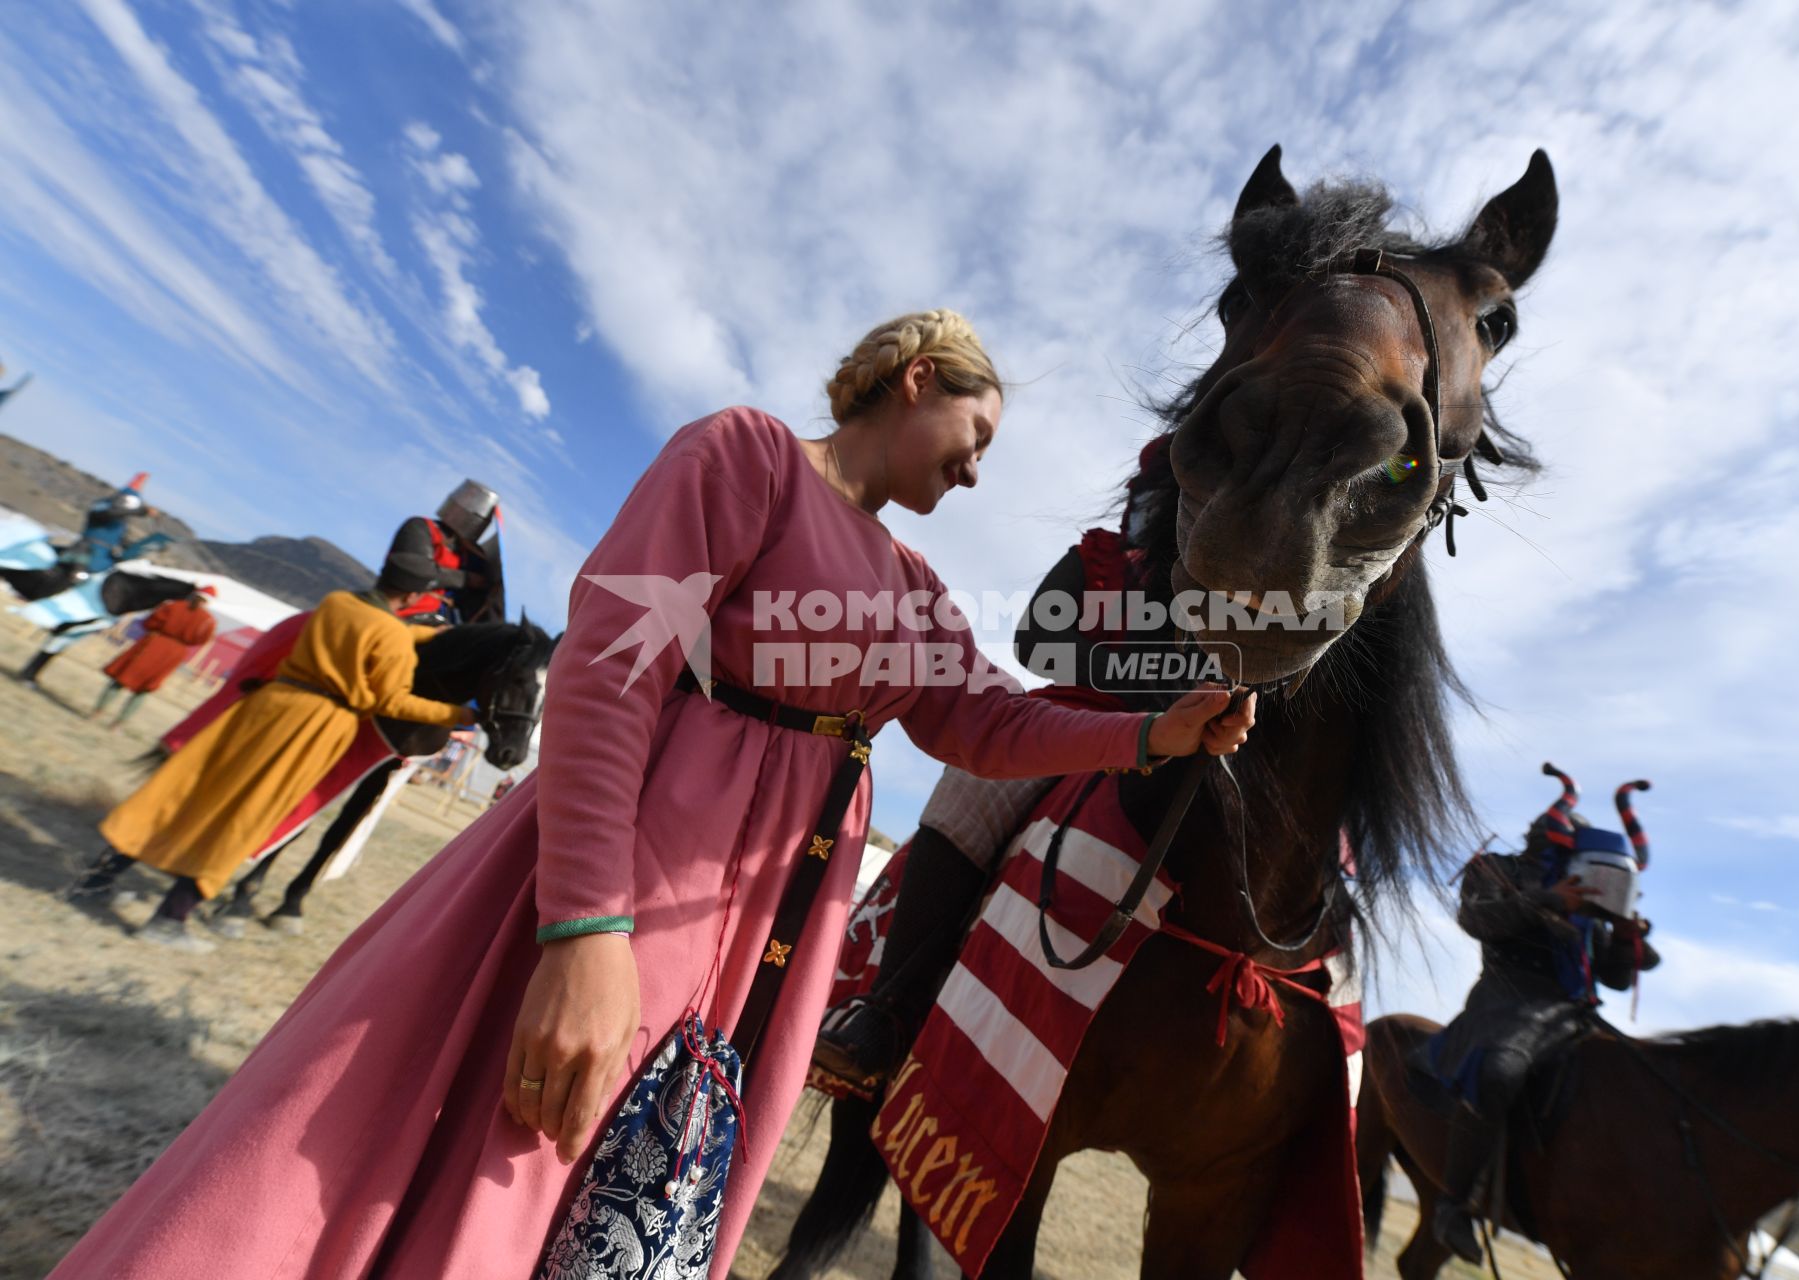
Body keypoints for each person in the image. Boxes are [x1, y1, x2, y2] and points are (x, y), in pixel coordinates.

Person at [47, 308, 1255, 1279]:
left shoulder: (919, 581)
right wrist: (583, 923)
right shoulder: (749, 458)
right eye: (976, 432)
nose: (980, 471)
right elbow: (609, 671)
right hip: (635, 870)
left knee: (640, 1193)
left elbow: (984, 720)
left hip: (773, 926)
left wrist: (1154, 732)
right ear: (917, 375)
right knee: (521, 1148)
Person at [812, 434, 1175, 1087]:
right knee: (971, 786)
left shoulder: (1227, 591)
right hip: (1067, 726)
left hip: (1183, 742)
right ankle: (887, 1012)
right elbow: (1036, 643)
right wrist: (1135, 687)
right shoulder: (1094, 558)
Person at [64, 548, 475, 952]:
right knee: (248, 816)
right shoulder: (391, 639)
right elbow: (391, 701)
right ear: (413, 597)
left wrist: (430, 635)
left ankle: (96, 879)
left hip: (267, 707)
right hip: (312, 729)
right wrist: (457, 714)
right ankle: (170, 917)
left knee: (187, 794)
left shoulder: (337, 603)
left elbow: (374, 628)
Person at [1422, 767, 1662, 1264]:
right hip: (1506, 999)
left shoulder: (1592, 888)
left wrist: (1622, 937)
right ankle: (1453, 1205)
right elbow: (1476, 919)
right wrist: (1550, 900)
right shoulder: (1498, 868)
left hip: (1574, 1012)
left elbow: (1614, 978)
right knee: (1498, 1070)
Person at [89, 585, 218, 729]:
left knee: (122, 677)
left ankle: (97, 711)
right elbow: (201, 640)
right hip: (175, 653)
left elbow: (150, 622)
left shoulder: (173, 606)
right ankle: (119, 723)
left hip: (153, 643)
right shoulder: (208, 620)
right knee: (145, 687)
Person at [388, 478, 504, 624]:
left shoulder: (475, 557)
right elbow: (412, 572)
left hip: (445, 624)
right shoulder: (421, 528)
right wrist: (465, 579)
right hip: (401, 613)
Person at [56, 472, 172, 574]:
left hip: (102, 561)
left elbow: (118, 540)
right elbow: (110, 513)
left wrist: (146, 546)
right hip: (81, 554)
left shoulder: (121, 522)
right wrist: (142, 511)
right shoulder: (101, 507)